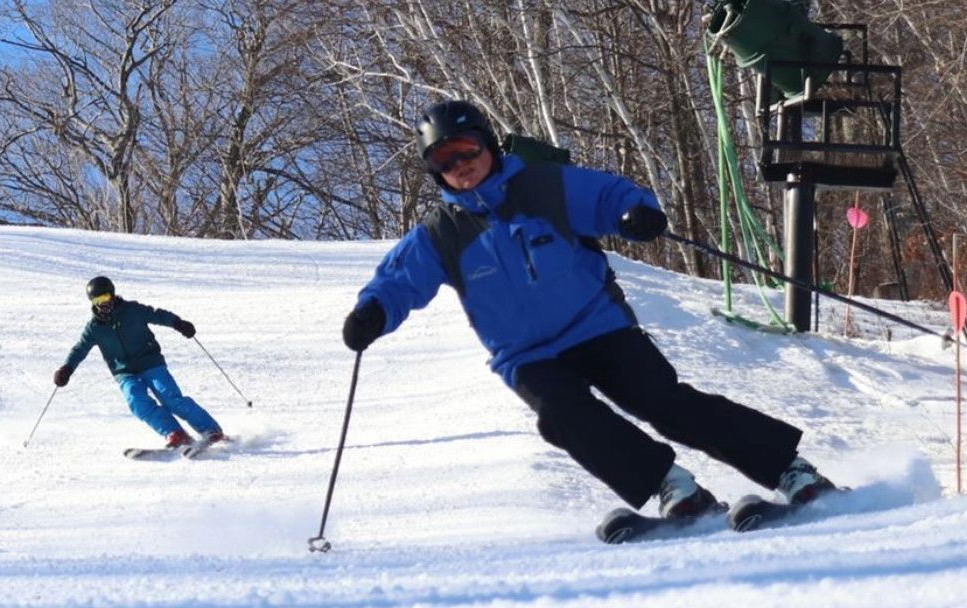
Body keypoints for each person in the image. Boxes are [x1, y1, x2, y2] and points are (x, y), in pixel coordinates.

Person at [341, 99, 836, 518]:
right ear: (436, 172)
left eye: (467, 149)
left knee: (661, 402)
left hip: (596, 326)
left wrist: (634, 214)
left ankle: (791, 470)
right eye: (445, 160)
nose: (460, 164)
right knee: (560, 414)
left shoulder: (543, 186)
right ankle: (674, 487)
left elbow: (608, 195)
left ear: (487, 145)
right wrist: (373, 312)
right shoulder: (439, 233)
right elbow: (398, 282)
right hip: (527, 356)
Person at [54, 276, 226, 449]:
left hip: (150, 362)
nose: (103, 303)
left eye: (105, 298)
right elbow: (80, 349)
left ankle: (211, 431)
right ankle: (175, 434)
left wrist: (177, 323)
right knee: (137, 402)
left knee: (170, 398)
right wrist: (67, 368)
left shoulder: (132, 310)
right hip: (124, 372)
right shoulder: (94, 328)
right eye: (97, 300)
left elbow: (157, 314)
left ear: (112, 295)